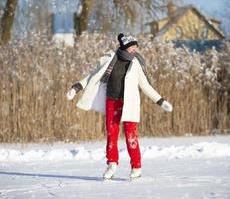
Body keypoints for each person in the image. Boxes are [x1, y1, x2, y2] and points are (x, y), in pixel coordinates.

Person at [67, 33, 173, 180]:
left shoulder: (136, 63)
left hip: (129, 104)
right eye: (132, 47)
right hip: (112, 101)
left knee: (131, 136)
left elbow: (146, 86)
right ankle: (112, 164)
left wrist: (160, 101)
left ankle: (136, 166)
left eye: (136, 46)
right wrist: (77, 87)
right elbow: (92, 76)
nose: (135, 49)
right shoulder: (110, 59)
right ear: (125, 47)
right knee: (112, 135)